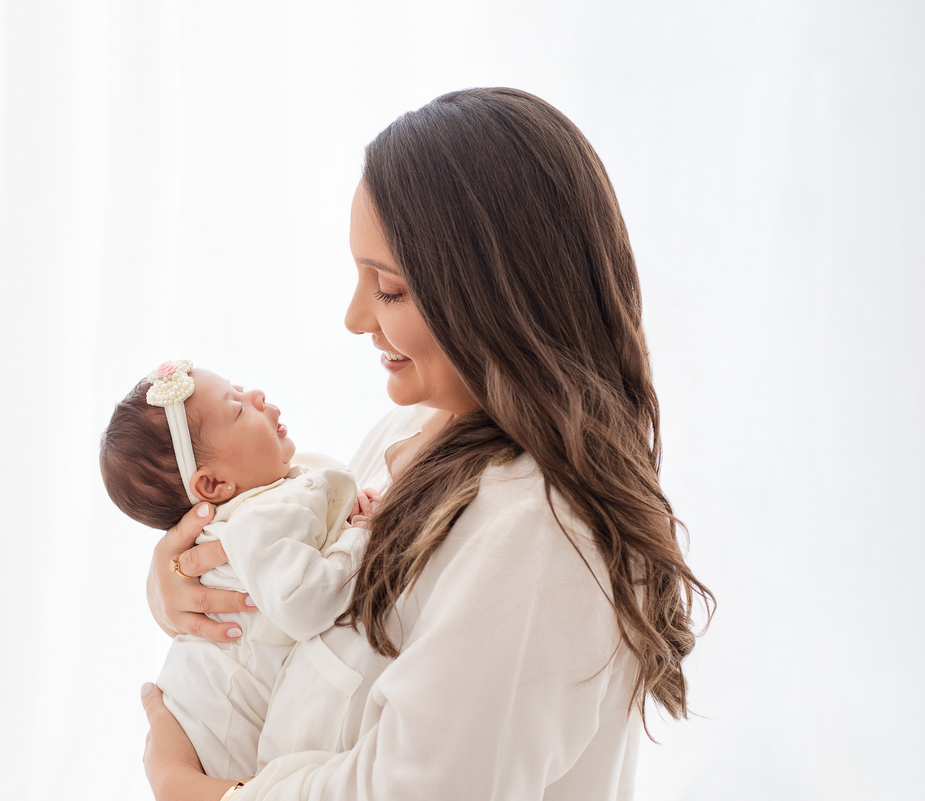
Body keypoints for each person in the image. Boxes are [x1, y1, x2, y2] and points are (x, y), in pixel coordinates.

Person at [137, 87, 713, 800]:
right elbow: (308, 619)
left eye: (388, 288)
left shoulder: (538, 537)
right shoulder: (411, 434)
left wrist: (190, 790)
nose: (355, 318)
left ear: (498, 296)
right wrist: (191, 587)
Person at [100, 361, 379, 779]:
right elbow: (304, 602)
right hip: (218, 717)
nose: (258, 396)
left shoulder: (263, 504)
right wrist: (361, 535)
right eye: (238, 409)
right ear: (213, 486)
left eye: (241, 389)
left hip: (212, 708)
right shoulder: (257, 520)